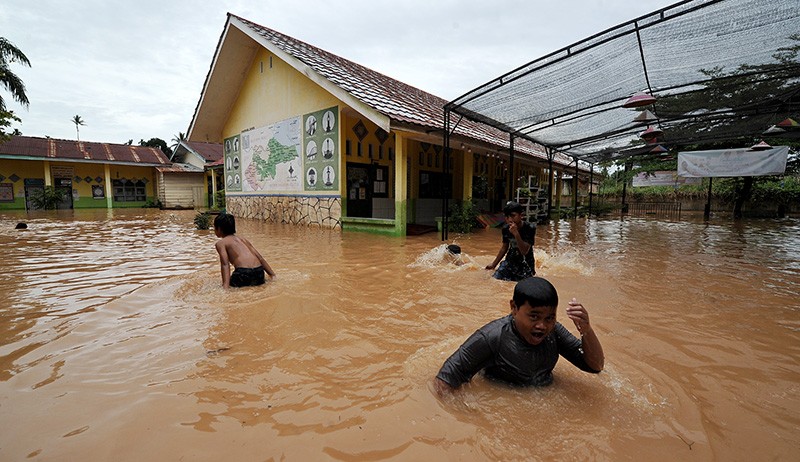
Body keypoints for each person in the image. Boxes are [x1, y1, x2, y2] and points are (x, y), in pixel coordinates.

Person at [434, 277, 604, 394]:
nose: (542, 326)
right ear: (514, 308)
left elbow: (595, 366)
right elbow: (445, 380)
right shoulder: (492, 337)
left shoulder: (555, 332)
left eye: (549, 318)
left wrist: (586, 330)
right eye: (534, 316)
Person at [213, 213, 276, 288]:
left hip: (243, 273)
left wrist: (225, 285)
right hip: (259, 272)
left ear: (219, 228)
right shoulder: (243, 240)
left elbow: (225, 264)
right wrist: (272, 275)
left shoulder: (221, 243)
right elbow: (260, 257)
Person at [485, 201, 536, 281]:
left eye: (513, 216)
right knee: (494, 281)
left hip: (525, 263)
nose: (509, 220)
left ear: (521, 215)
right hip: (510, 261)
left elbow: (524, 251)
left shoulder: (529, 228)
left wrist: (516, 233)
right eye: (507, 217)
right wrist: (494, 264)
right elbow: (504, 247)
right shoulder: (506, 228)